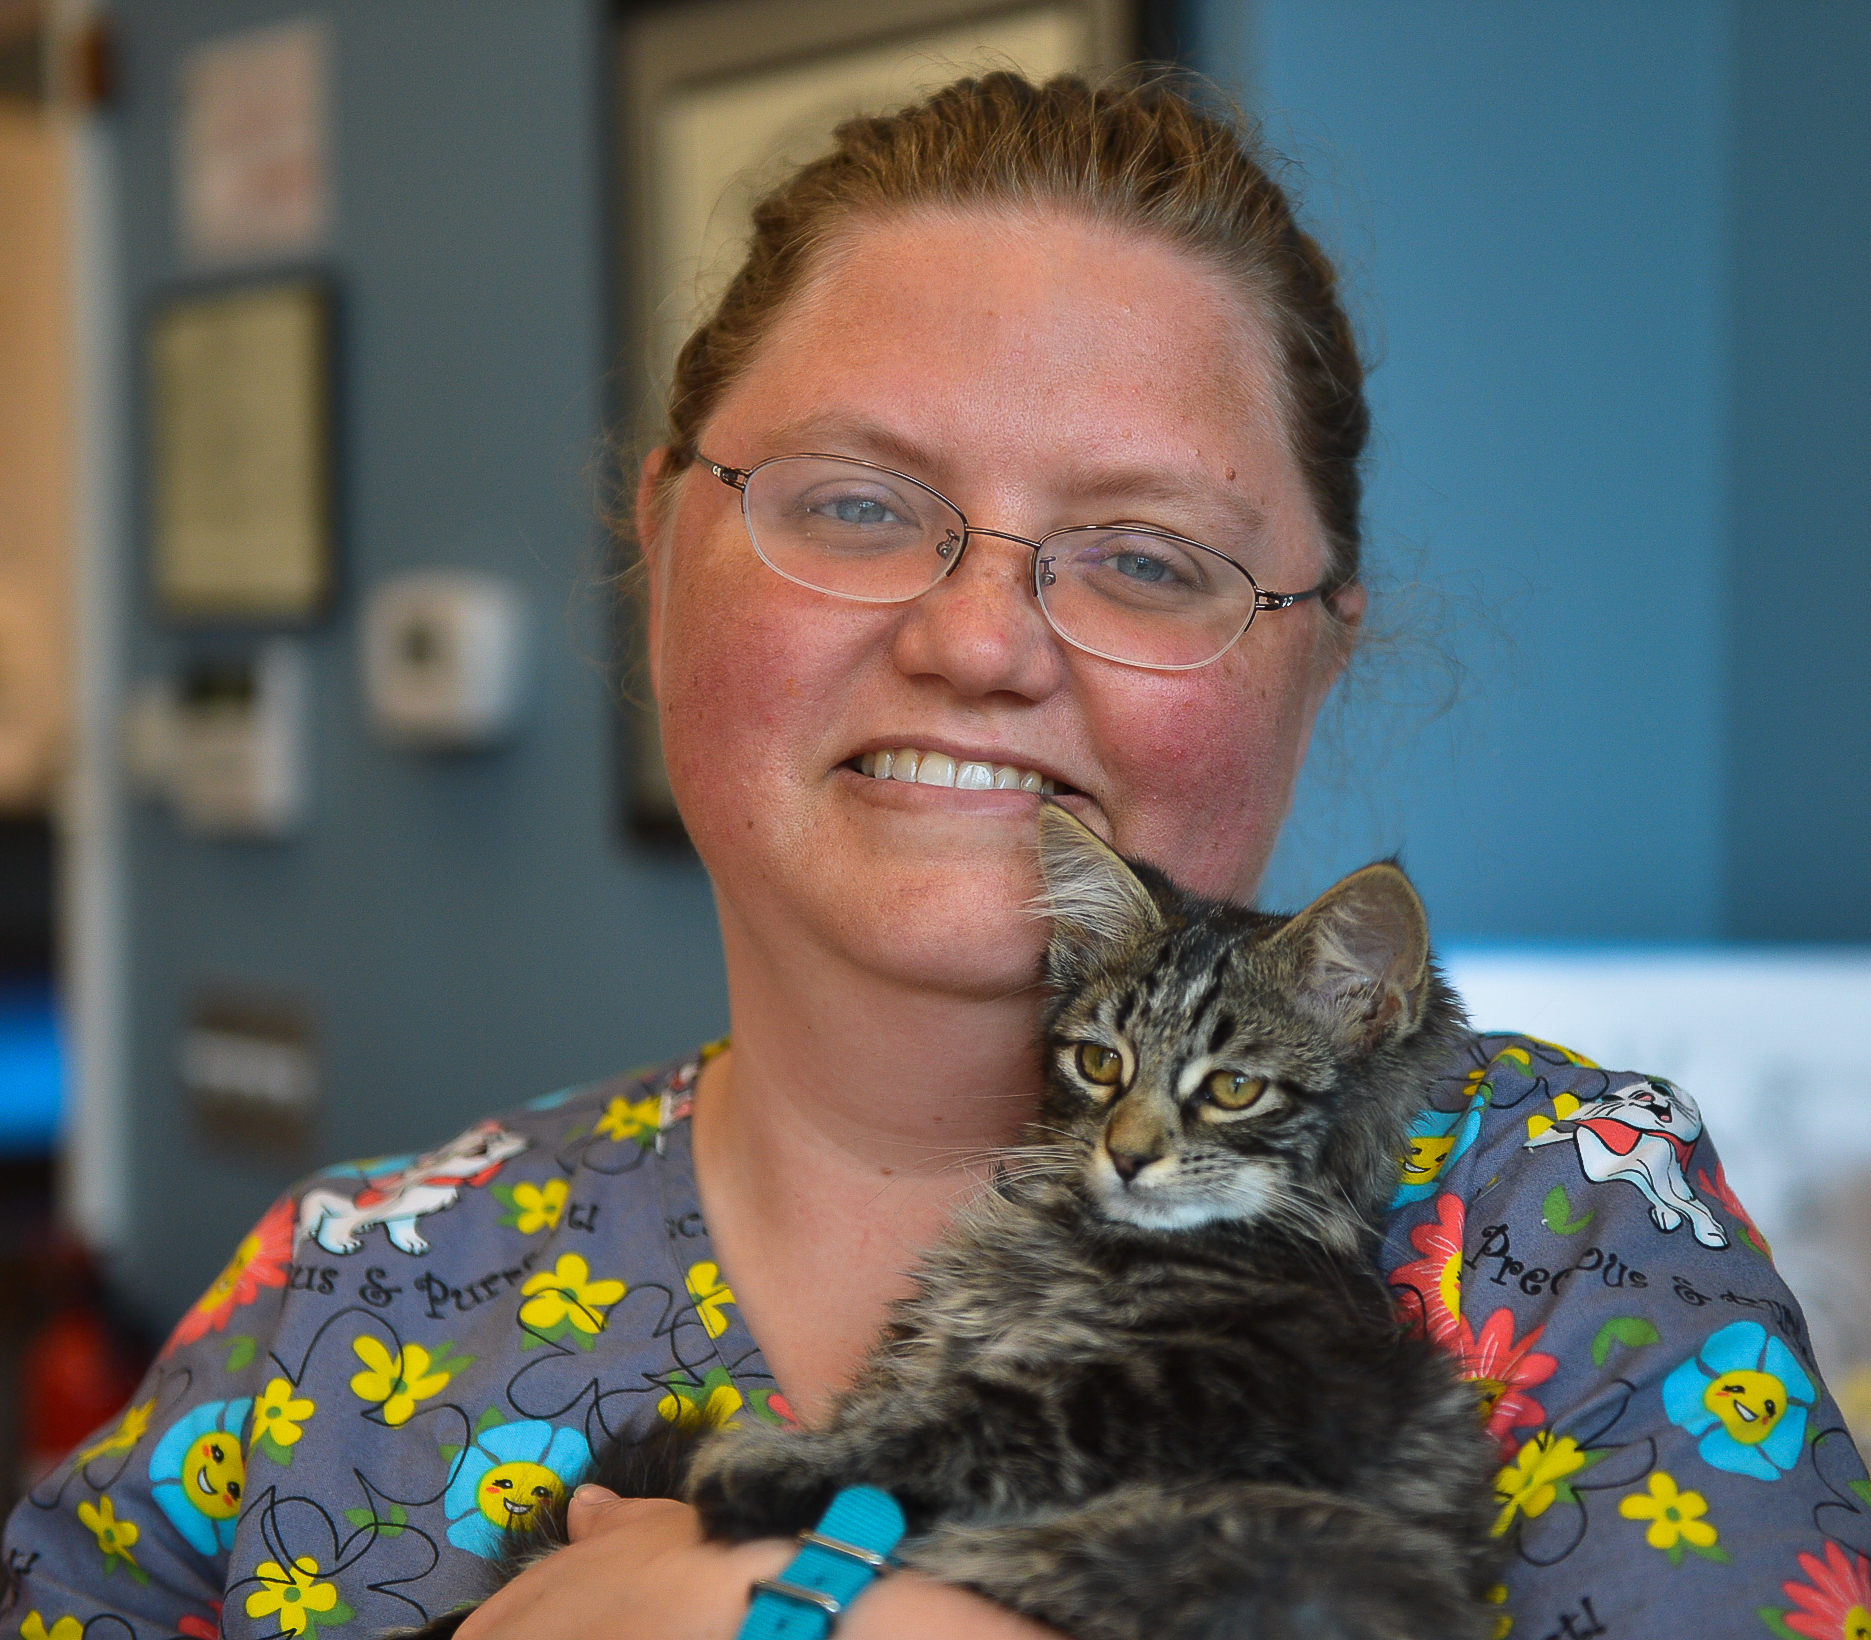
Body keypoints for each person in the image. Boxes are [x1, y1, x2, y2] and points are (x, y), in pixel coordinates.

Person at [7, 71, 1867, 1640]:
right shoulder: (346, 1292)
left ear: (1316, 658)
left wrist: (804, 1617)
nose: (979, 644)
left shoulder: (1570, 1230)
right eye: (857, 505)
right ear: (664, 551)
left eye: (1146, 557)